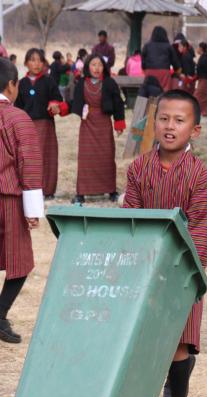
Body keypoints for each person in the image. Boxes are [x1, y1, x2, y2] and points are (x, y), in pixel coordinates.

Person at [123, 89, 207, 397]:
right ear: (153, 122)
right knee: (141, 340)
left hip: (182, 273)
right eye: (163, 118)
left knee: (179, 341)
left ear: (195, 130)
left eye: (180, 120)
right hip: (143, 270)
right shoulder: (139, 168)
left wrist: (190, 273)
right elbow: (129, 219)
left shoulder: (199, 175)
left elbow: (201, 227)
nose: (170, 127)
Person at [0, 57, 44, 344]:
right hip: (8, 200)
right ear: (13, 85)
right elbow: (29, 164)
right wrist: (33, 211)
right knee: (21, 261)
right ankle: (0, 314)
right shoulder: (17, 118)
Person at [71, 54, 125, 204]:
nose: (97, 68)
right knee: (85, 157)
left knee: (107, 156)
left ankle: (111, 190)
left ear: (104, 67)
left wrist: (119, 123)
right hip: (87, 123)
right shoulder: (81, 83)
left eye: (100, 65)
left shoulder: (109, 83)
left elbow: (118, 103)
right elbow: (73, 101)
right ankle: (81, 193)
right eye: (93, 64)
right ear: (88, 66)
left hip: (104, 123)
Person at [15, 48, 69, 199]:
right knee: (27, 158)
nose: (36, 63)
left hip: (45, 125)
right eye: (32, 60)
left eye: (40, 60)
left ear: (44, 63)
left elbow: (58, 98)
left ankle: (47, 190)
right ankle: (29, 188)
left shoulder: (48, 81)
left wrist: (54, 105)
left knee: (46, 156)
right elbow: (17, 106)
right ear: (26, 63)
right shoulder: (21, 84)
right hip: (26, 126)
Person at [141, 26, 180, 92]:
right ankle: (163, 102)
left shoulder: (147, 46)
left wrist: (145, 69)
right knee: (164, 91)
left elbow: (143, 61)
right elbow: (175, 63)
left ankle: (152, 102)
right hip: (164, 72)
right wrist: (176, 72)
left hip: (150, 72)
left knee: (151, 92)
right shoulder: (168, 46)